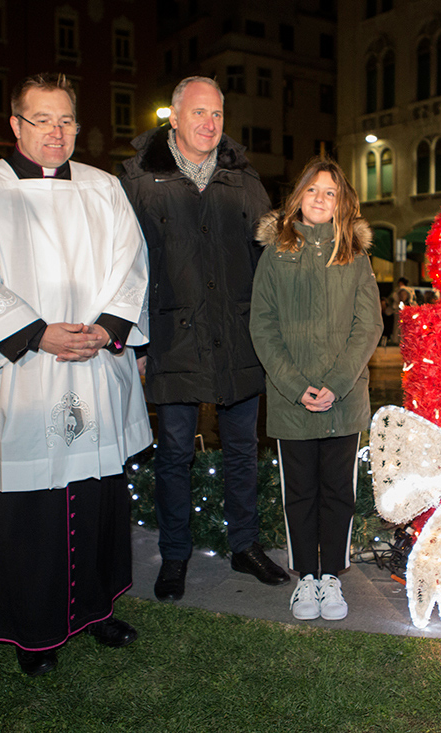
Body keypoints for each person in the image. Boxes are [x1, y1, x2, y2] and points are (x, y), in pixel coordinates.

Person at [0, 73, 151, 677]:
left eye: (67, 121)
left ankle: (97, 610)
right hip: (20, 372)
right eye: (42, 120)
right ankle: (34, 631)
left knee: (96, 497)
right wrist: (36, 334)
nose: (56, 132)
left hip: (92, 365)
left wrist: (107, 327)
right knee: (26, 508)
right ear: (15, 125)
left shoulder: (105, 188)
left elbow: (133, 263)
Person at [120, 76, 287, 600]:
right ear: (173, 117)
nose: (209, 124)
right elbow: (125, 266)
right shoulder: (140, 181)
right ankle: (174, 556)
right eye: (198, 113)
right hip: (172, 336)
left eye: (216, 114)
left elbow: (270, 259)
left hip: (237, 335)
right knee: (173, 453)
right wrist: (138, 342)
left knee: (243, 447)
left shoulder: (244, 181)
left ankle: (245, 546)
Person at [249, 158, 382, 621]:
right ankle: (306, 577)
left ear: (342, 201)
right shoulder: (276, 254)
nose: (321, 199)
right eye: (312, 190)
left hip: (343, 401)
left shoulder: (355, 255)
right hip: (293, 400)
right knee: (300, 491)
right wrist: (295, 385)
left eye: (330, 192)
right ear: (297, 198)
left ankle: (332, 577)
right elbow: (262, 326)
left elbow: (369, 325)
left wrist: (338, 384)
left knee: (337, 492)